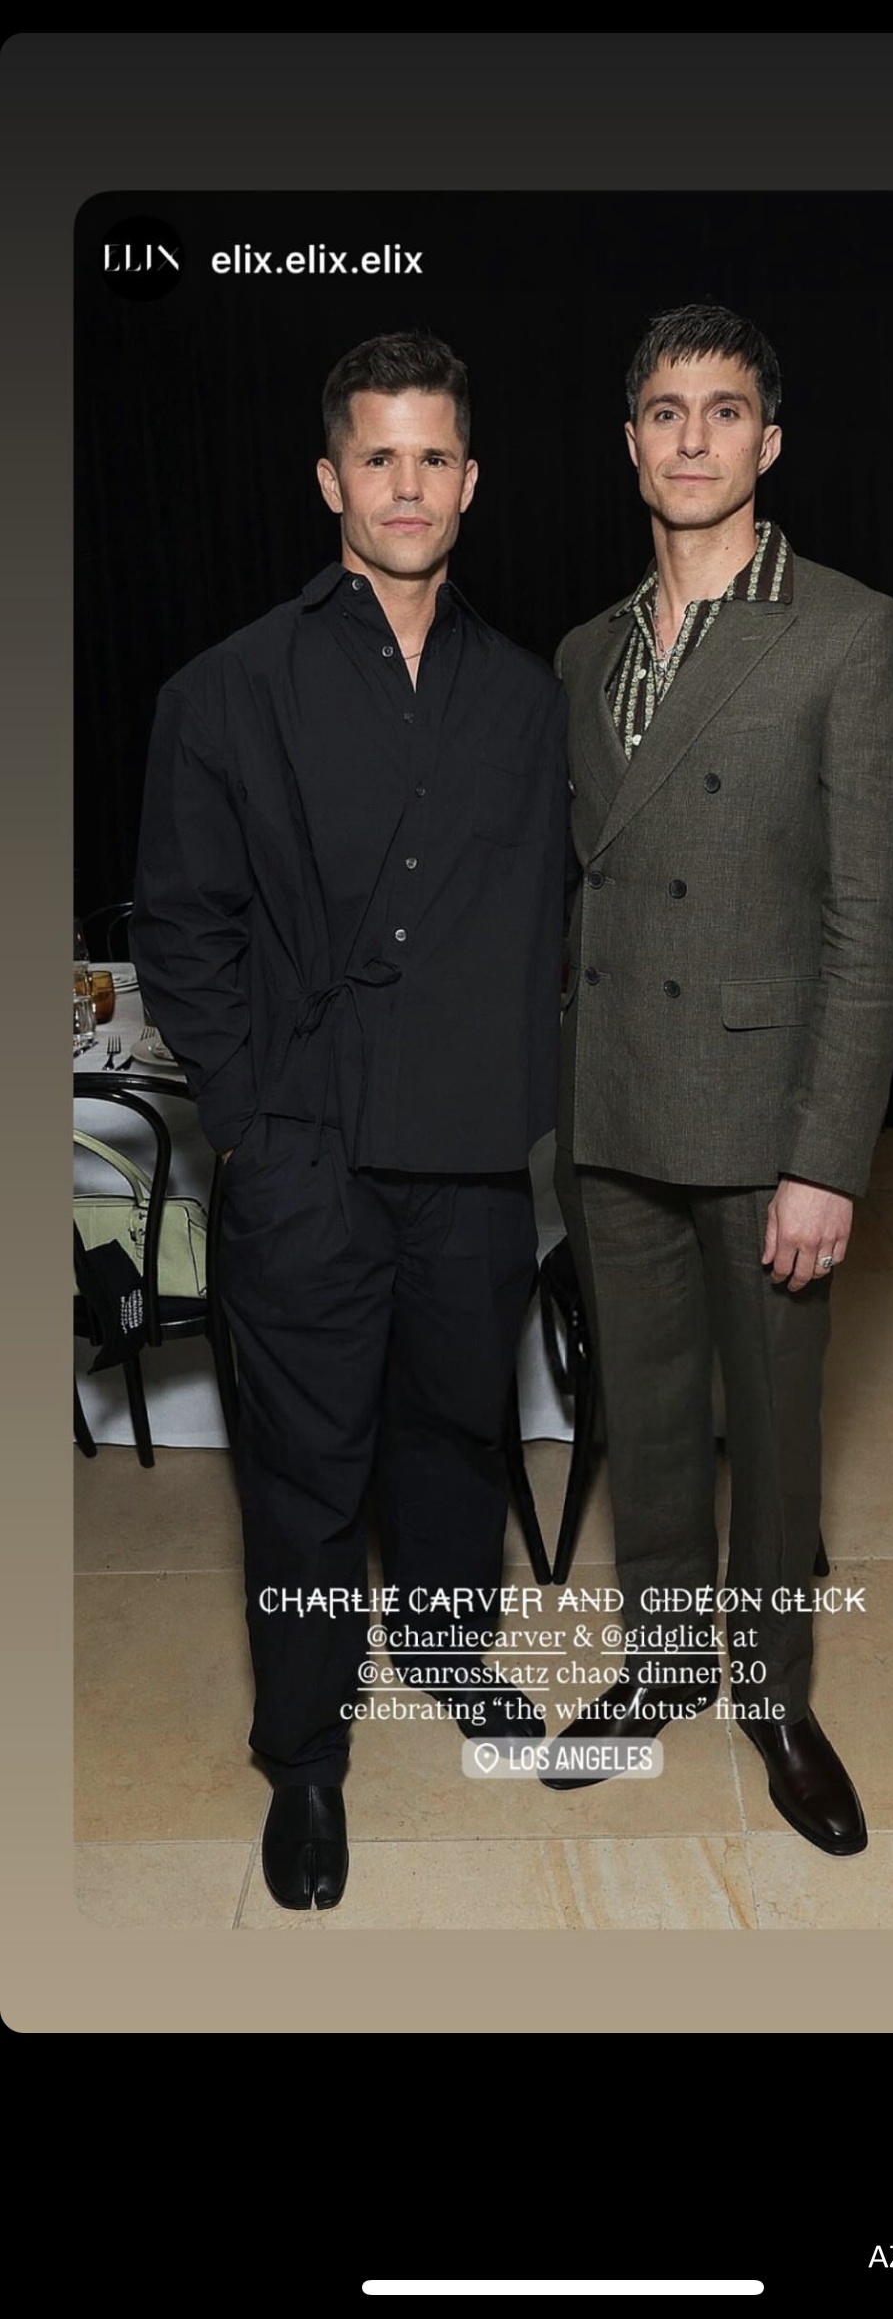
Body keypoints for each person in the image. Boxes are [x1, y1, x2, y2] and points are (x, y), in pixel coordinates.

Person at [131, 331, 569, 1909]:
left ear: (470, 480)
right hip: (304, 1154)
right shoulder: (225, 689)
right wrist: (251, 1124)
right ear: (330, 479)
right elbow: (181, 930)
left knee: (452, 1436)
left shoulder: (528, 699)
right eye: (376, 455)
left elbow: (556, 927)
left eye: (431, 455)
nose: (405, 483)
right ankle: (304, 1756)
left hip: (471, 1161)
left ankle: (450, 1655)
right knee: (307, 1472)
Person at [545, 302, 893, 1852]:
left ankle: (773, 1695)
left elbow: (870, 919)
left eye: (721, 411)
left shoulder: (850, 630)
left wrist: (826, 1157)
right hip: (613, 1101)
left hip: (764, 1118)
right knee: (642, 1414)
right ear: (629, 443)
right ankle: (656, 1661)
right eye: (663, 410)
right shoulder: (584, 652)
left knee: (768, 1434)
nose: (690, 437)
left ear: (767, 442)